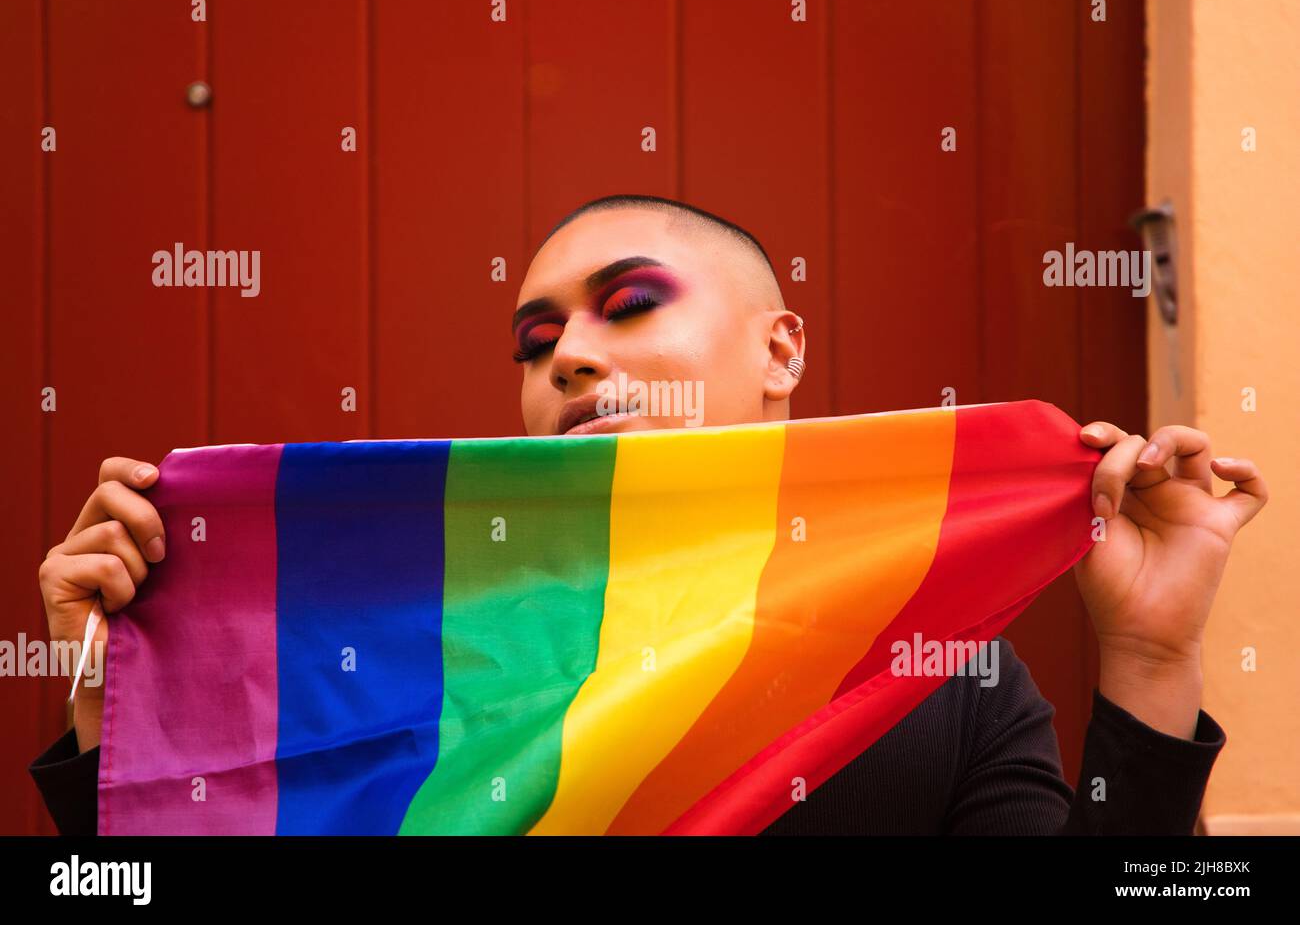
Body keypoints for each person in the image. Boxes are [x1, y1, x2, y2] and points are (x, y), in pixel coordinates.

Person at [31, 194, 1267, 835]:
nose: (567, 354)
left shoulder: (938, 660)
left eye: (627, 304)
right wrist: (115, 710)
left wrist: (1152, 658)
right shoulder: (410, 651)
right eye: (536, 338)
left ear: (779, 346)